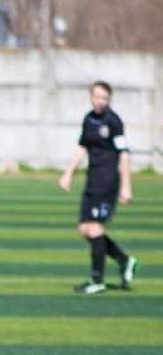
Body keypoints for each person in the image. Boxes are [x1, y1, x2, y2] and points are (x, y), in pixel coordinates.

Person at [58, 80, 137, 294]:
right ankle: (124, 260)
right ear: (90, 97)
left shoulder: (113, 121)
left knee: (94, 228)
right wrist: (68, 174)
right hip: (92, 179)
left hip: (108, 181)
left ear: (109, 99)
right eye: (97, 97)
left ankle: (97, 279)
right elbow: (83, 147)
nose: (100, 101)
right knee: (84, 229)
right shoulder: (89, 119)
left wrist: (126, 186)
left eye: (104, 98)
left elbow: (124, 154)